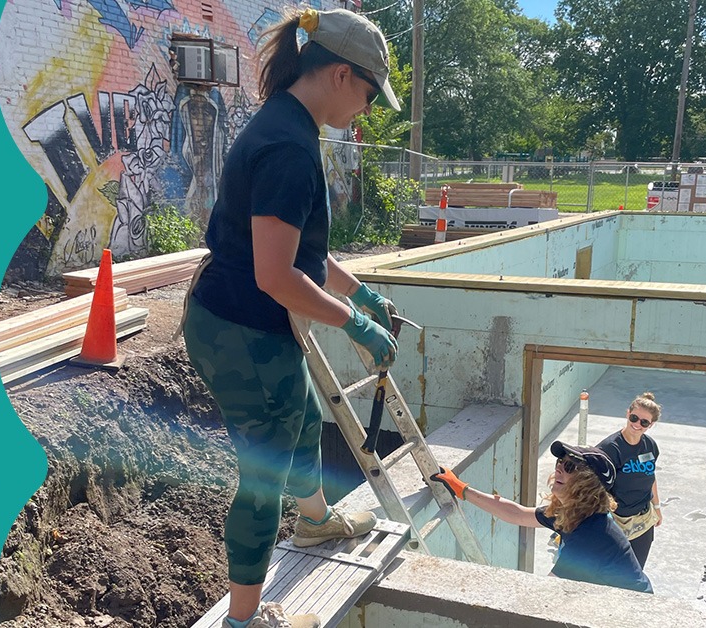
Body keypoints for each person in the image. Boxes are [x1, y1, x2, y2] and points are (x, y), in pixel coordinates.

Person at [180, 8, 403, 628]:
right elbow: (276, 277)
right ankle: (244, 619)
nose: (366, 107)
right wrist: (351, 324)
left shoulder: (287, 126)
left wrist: (360, 295)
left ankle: (313, 521)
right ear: (338, 74)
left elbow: (299, 249)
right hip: (242, 333)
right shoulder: (289, 148)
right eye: (367, 92)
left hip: (242, 323)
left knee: (304, 413)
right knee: (261, 478)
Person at [430, 441, 652, 594]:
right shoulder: (573, 513)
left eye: (570, 466)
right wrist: (462, 489)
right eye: (559, 463)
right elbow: (517, 513)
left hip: (633, 613)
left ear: (589, 483)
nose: (559, 469)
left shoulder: (593, 535)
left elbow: (545, 592)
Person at [597, 391, 663, 569]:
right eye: (634, 418)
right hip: (616, 522)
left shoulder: (650, 446)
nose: (637, 424)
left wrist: (657, 508)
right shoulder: (609, 448)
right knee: (612, 572)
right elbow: (594, 487)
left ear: (651, 425)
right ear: (627, 414)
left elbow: (651, 477)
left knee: (635, 571)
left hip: (643, 522)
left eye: (644, 422)